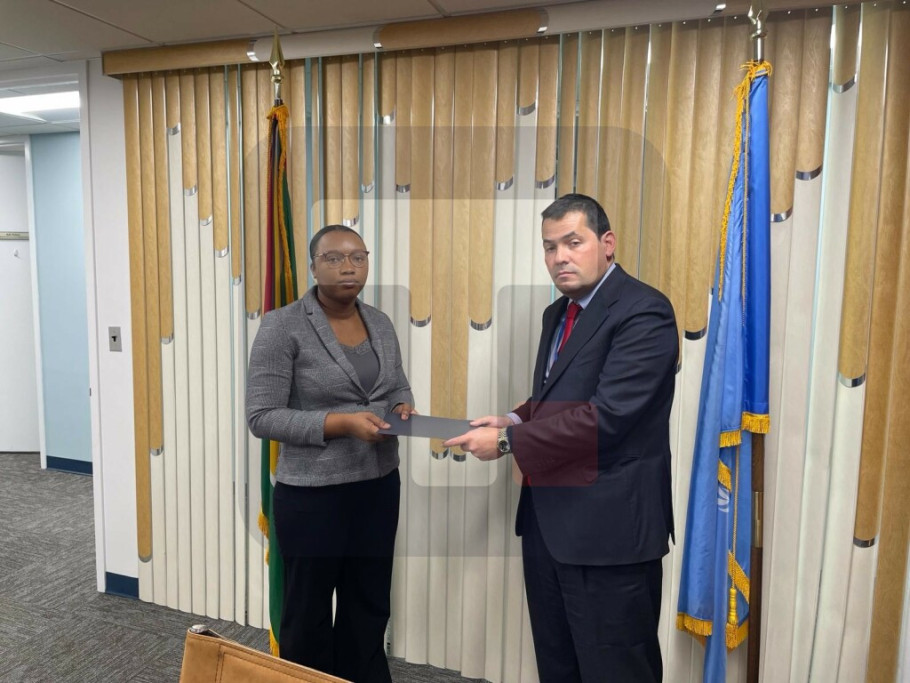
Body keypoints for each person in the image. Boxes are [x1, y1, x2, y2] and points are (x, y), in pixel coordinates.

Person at [445, 194, 678, 682]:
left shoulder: (644, 312)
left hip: (610, 535)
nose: (559, 258)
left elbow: (607, 417)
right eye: (550, 247)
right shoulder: (559, 313)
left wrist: (508, 443)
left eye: (573, 243)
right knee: (558, 665)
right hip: (548, 526)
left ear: (607, 243)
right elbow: (561, 396)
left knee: (616, 671)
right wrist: (513, 418)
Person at [247, 224, 414, 683]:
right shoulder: (282, 326)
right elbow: (262, 416)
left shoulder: (380, 322)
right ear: (313, 266)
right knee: (308, 614)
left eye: (358, 257)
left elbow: (396, 385)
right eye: (334, 258)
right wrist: (341, 423)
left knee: (369, 604)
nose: (348, 267)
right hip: (313, 497)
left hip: (378, 487)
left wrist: (402, 405)